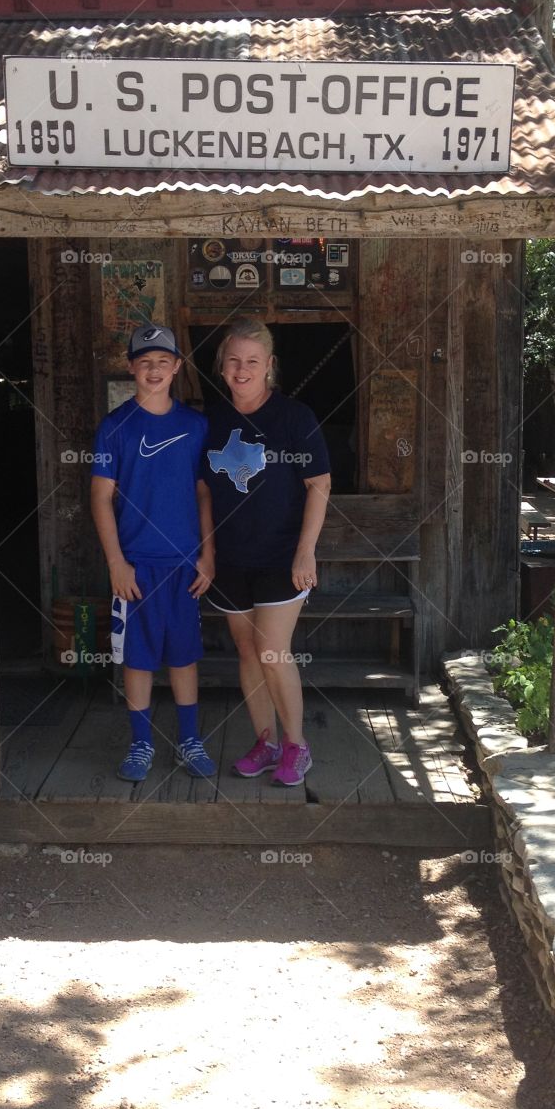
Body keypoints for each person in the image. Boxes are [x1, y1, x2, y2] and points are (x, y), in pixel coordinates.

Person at [204, 317, 331, 786]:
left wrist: (306, 552)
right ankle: (266, 741)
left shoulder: (294, 418)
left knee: (272, 650)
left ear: (269, 366)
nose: (242, 369)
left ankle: (297, 745)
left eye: (252, 361)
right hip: (232, 559)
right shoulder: (212, 421)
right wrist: (208, 551)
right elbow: (202, 490)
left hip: (282, 556)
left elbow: (319, 483)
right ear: (222, 366)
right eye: (234, 360)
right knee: (247, 651)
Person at [90, 324, 216, 782]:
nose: (154, 369)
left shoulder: (195, 425)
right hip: (135, 565)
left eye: (164, 361)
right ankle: (141, 744)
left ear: (178, 367)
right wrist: (116, 562)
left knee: (183, 656)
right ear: (130, 368)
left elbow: (205, 494)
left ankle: (189, 740)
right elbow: (100, 497)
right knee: (138, 659)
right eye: (145, 361)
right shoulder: (115, 426)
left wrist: (208, 554)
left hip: (184, 563)